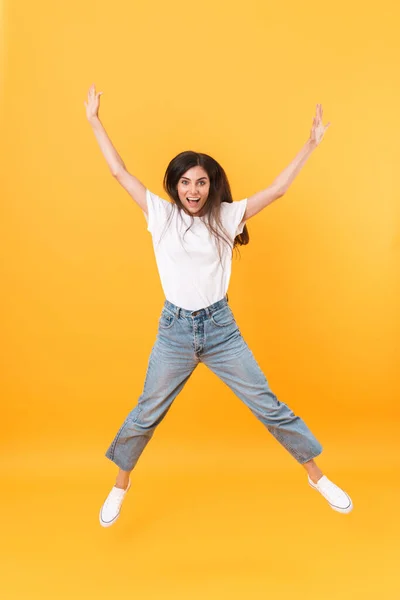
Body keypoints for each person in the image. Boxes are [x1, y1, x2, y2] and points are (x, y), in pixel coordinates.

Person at [84, 84, 353, 528]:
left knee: (268, 404)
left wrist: (310, 144)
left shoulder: (227, 216)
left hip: (220, 330)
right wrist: (95, 121)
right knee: (147, 411)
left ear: (212, 187)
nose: (194, 189)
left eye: (201, 182)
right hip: (175, 330)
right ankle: (120, 485)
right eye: (186, 182)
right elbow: (118, 171)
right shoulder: (160, 214)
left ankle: (317, 477)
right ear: (175, 186)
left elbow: (279, 189)